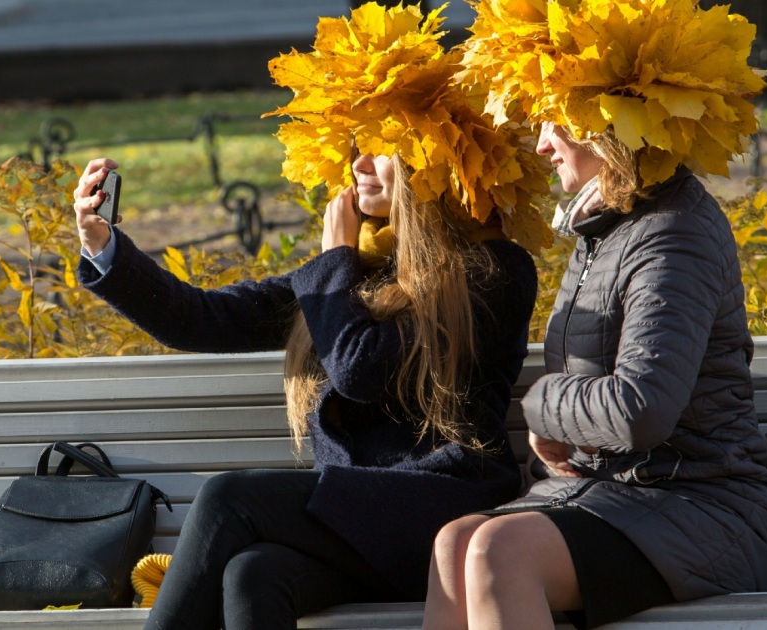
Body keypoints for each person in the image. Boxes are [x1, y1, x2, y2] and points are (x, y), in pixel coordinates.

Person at [71, 4, 553, 628]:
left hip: (443, 516)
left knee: (228, 497)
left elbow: (361, 372)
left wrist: (333, 262)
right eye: (356, 148)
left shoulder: (491, 269)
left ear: (430, 155)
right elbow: (201, 321)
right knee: (253, 574)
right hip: (355, 522)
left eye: (383, 150)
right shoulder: (353, 269)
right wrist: (104, 246)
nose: (358, 164)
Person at [423, 1, 767, 628]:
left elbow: (638, 409)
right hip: (617, 495)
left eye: (554, 123)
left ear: (605, 124)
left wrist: (541, 402)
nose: (540, 145)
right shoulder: (607, 228)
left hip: (706, 504)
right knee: (454, 541)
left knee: (496, 551)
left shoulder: (674, 234)